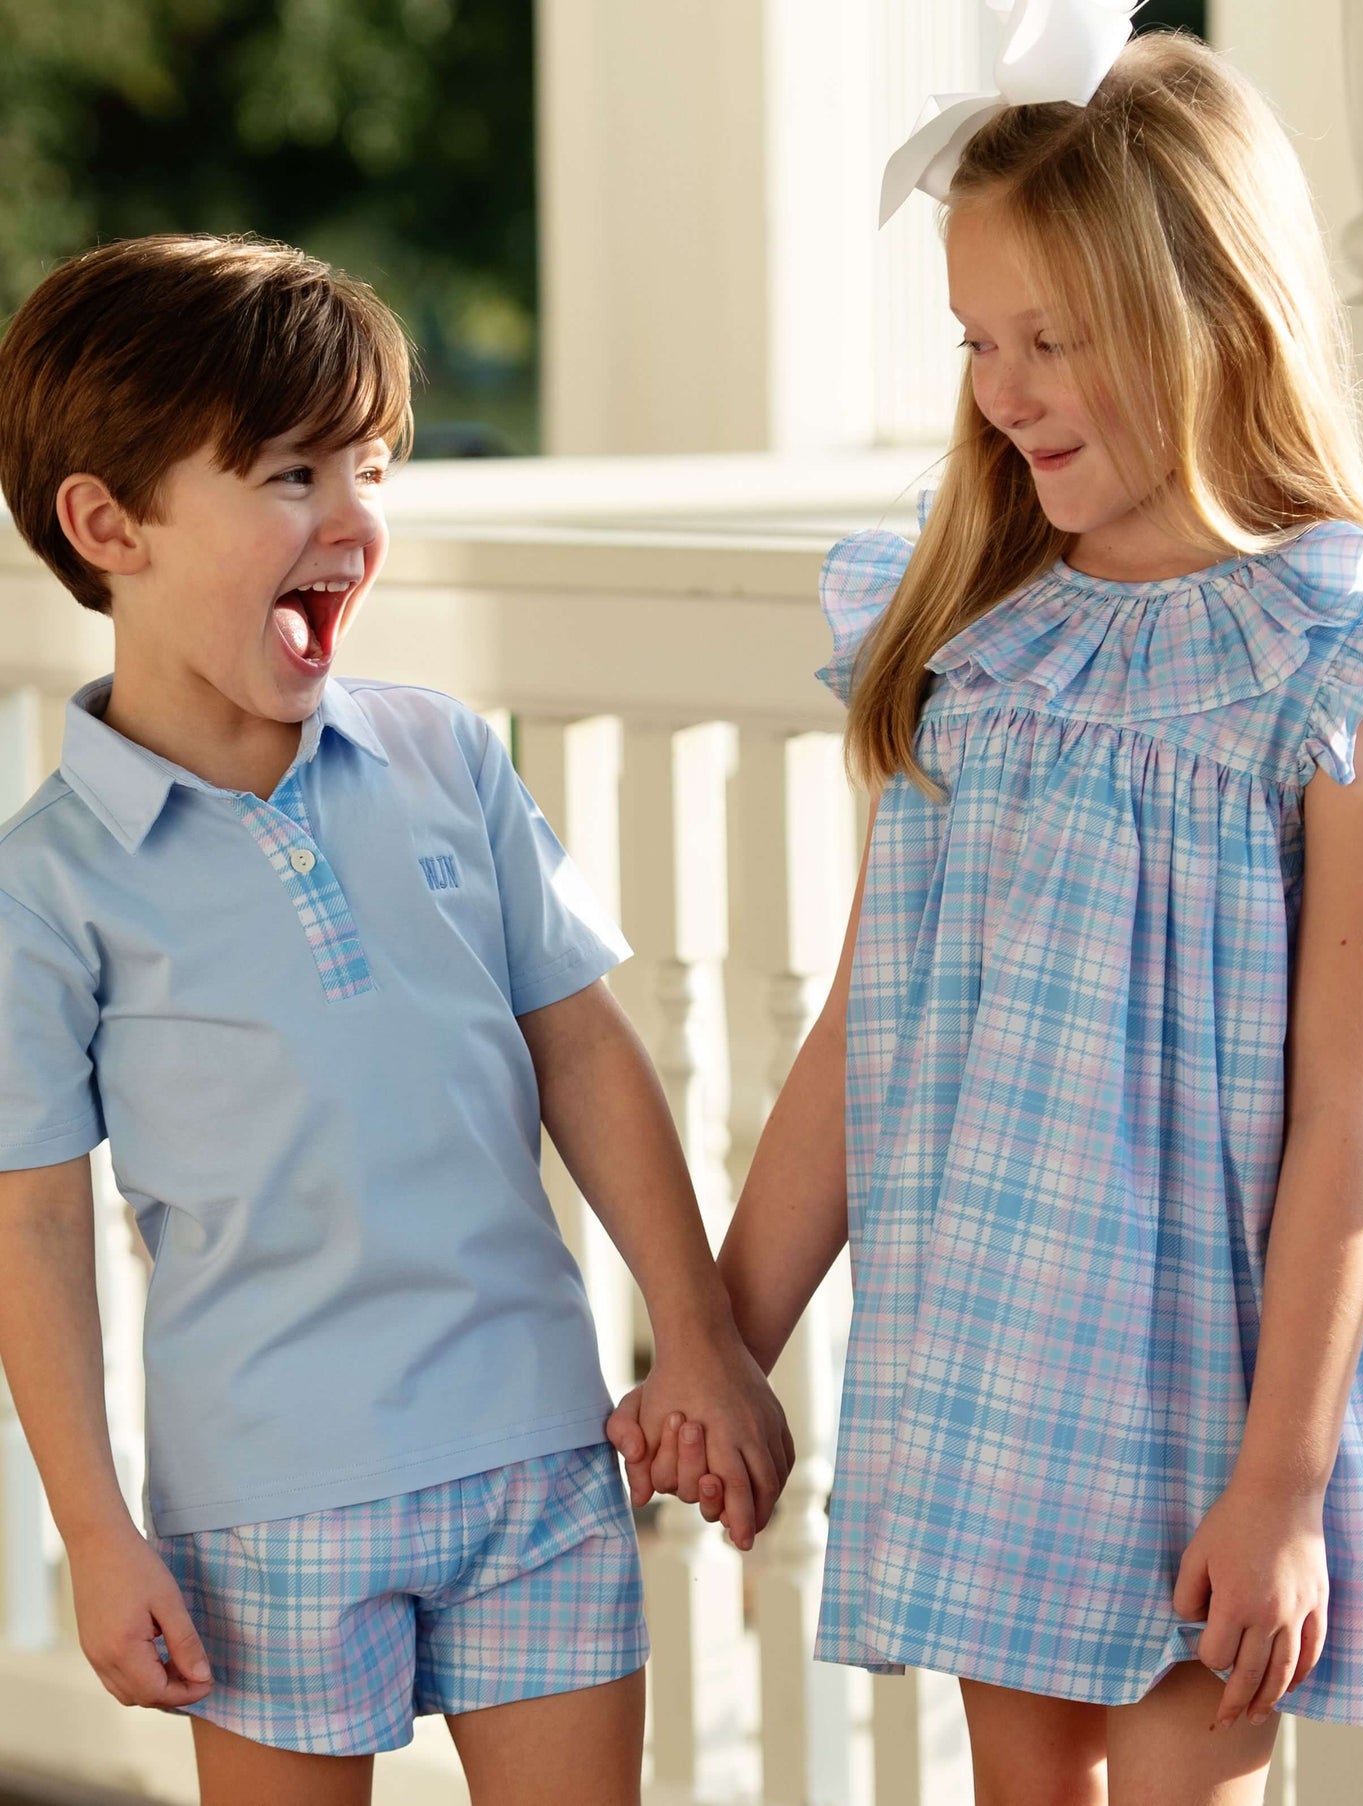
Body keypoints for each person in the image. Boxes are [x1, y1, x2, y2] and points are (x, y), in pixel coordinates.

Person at [610, 27, 1363, 1806]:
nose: (1002, 388)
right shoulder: (975, 632)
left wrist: (1280, 1483)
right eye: (978, 340)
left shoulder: (1342, 657)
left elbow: (1346, 1118)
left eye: (1051, 339)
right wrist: (721, 1349)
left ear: (1212, 315)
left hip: (1218, 1386)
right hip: (995, 1354)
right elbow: (861, 1035)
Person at [0, 233, 790, 1806]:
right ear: (107, 523)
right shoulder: (50, 885)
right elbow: (32, 1228)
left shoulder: (443, 758)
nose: (351, 519)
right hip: (262, 1509)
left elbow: (585, 1049)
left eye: (368, 466)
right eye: (290, 472)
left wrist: (696, 1336)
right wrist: (95, 1530)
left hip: (538, 1460)